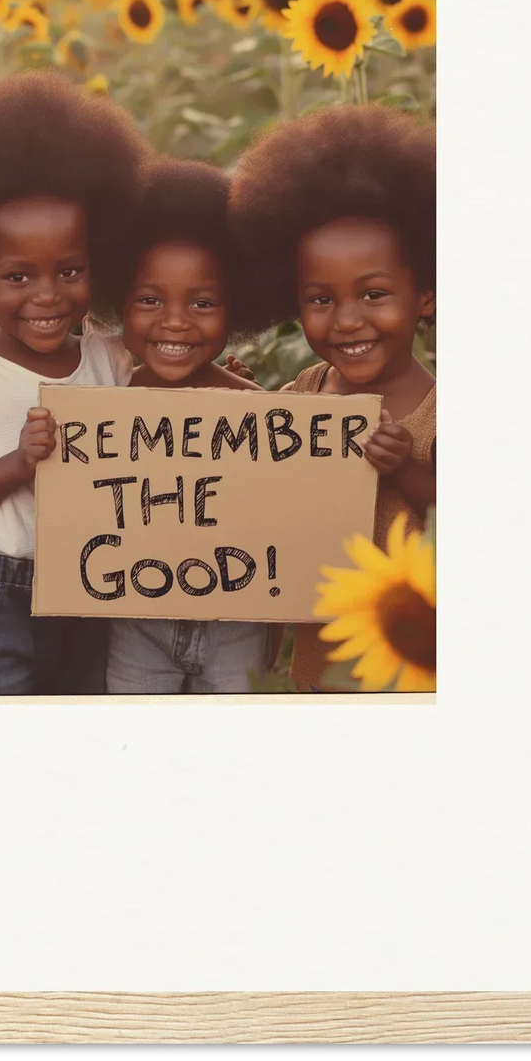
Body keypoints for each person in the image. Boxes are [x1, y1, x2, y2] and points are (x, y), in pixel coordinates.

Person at [0, 71, 147, 694]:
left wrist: (224, 385)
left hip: (94, 583)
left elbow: (172, 395)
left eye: (69, 270)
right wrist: (19, 463)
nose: (47, 295)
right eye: (17, 277)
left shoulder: (106, 359)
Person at [231, 105, 436, 691]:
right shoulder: (307, 391)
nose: (347, 321)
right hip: (319, 665)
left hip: (413, 667)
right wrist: (237, 395)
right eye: (320, 300)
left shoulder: (440, 415)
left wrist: (404, 473)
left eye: (373, 294)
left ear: (424, 295)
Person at [101, 158, 270, 694]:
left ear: (236, 308)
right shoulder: (103, 405)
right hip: (135, 617)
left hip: (235, 618)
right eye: (150, 300)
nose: (175, 321)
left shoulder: (256, 409)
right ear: (118, 304)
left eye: (202, 303)